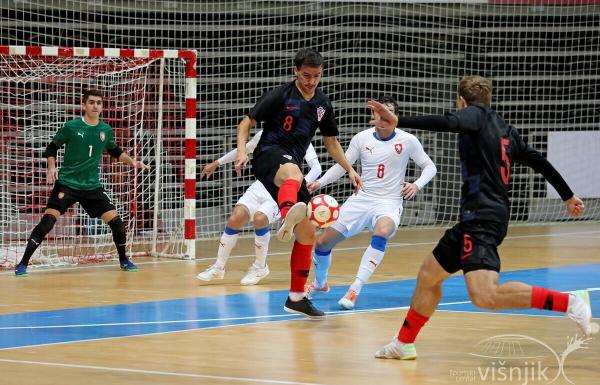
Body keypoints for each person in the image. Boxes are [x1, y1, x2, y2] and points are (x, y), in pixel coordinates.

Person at [367, 75, 598, 360]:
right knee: (429, 275)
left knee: (485, 296)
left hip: (482, 218)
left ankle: (571, 303)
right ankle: (403, 343)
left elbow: (448, 122)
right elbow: (539, 160)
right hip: (478, 217)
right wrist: (567, 195)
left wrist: (399, 120)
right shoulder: (506, 130)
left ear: (462, 102)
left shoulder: (473, 116)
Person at [234, 48, 363, 318]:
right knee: (293, 174)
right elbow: (246, 121)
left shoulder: (323, 104)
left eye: (316, 76)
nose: (311, 81)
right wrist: (242, 151)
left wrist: (349, 168)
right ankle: (286, 215)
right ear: (296, 71)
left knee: (307, 235)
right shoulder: (281, 94)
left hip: (290, 165)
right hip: (268, 155)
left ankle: (296, 298)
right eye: (306, 75)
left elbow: (331, 142)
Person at [306, 95, 437, 310]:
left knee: (382, 232)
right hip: (362, 198)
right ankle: (321, 284)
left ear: (395, 117)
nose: (384, 115)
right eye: (380, 111)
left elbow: (430, 167)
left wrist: (417, 185)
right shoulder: (362, 138)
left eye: (389, 111)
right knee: (322, 244)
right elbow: (343, 165)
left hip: (389, 202)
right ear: (373, 115)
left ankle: (355, 289)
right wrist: (319, 182)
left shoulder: (407, 140)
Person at [14, 89, 150, 277]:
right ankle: (22, 264)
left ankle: (124, 260)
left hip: (92, 186)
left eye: (99, 103)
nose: (95, 106)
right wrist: (51, 167)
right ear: (83, 105)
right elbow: (51, 147)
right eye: (92, 102)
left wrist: (133, 161)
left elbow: (115, 151)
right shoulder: (71, 126)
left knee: (117, 223)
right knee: (47, 222)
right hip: (67, 184)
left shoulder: (105, 130)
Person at [196, 129, 322, 285]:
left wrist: (299, 185)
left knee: (260, 219)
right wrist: (217, 163)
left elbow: (316, 168)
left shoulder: (302, 135)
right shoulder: (265, 133)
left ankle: (260, 267)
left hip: (282, 189)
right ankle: (218, 267)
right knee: (236, 218)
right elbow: (245, 149)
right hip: (260, 185)